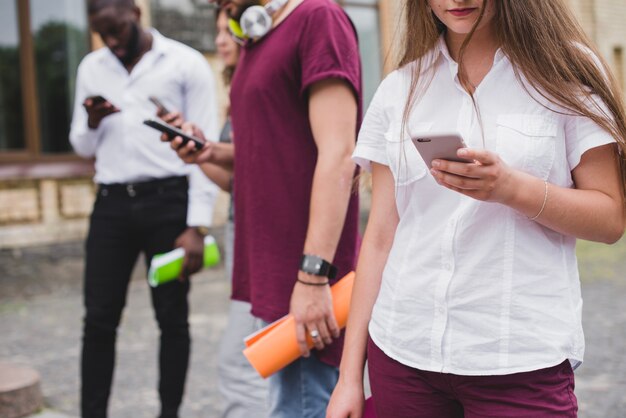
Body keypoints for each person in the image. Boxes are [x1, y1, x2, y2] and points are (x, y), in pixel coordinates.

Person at [327, 0, 626, 417]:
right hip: (403, 353)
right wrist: (347, 379)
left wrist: (510, 188)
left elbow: (610, 218)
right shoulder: (400, 88)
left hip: (518, 359)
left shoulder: (565, 70)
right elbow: (380, 238)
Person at [169, 0, 363, 416]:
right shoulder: (259, 31)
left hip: (306, 275)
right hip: (273, 272)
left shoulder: (318, 18)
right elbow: (265, 154)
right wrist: (206, 153)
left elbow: (339, 153)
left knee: (302, 404)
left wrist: (314, 278)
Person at [69, 1, 219, 417]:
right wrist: (93, 120)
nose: (111, 42)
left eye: (116, 29)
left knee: (171, 319)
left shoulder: (185, 64)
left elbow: (205, 152)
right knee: (98, 319)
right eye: (101, 33)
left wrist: (197, 225)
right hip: (112, 206)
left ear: (135, 12)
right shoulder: (91, 68)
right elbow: (81, 146)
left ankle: (168, 412)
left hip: (168, 204)